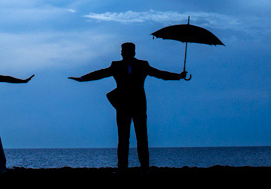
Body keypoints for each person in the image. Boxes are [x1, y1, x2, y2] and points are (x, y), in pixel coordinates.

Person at [70, 42, 185, 170]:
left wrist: (178, 76)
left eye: (125, 51)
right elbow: (100, 74)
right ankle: (122, 169)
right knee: (123, 140)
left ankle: (145, 168)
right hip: (123, 107)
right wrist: (82, 78)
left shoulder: (143, 65)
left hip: (139, 107)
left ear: (133, 52)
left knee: (142, 139)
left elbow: (160, 74)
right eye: (122, 51)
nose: (122, 53)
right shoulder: (116, 66)